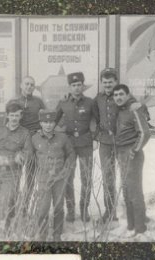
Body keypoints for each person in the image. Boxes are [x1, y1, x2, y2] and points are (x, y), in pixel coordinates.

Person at [0, 102, 33, 238]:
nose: (14, 118)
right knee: (0, 200)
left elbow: (28, 152)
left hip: (13, 172)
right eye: (12, 115)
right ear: (7, 115)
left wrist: (19, 156)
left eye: (17, 115)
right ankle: (5, 228)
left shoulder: (25, 133)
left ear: (21, 116)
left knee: (4, 200)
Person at [56, 72, 97, 222]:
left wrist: (95, 138)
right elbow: (53, 120)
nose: (76, 88)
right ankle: (71, 210)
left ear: (83, 85)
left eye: (79, 84)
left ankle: (84, 209)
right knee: (68, 178)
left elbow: (98, 121)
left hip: (85, 143)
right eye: (73, 85)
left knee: (86, 178)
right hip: (69, 145)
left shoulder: (90, 102)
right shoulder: (63, 102)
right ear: (69, 87)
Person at [32, 109, 76, 241]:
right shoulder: (34, 138)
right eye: (45, 122)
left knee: (58, 206)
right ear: (40, 123)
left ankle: (57, 234)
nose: (48, 125)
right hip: (43, 178)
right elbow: (31, 157)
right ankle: (43, 233)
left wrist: (66, 170)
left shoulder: (62, 138)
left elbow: (71, 154)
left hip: (59, 178)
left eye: (51, 122)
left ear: (54, 123)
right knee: (43, 207)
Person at [113, 84, 150, 237]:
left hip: (131, 154)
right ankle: (130, 226)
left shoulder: (134, 109)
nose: (118, 97)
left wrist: (134, 150)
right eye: (115, 95)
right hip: (121, 154)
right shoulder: (121, 110)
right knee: (127, 191)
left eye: (121, 94)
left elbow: (144, 133)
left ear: (128, 95)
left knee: (134, 192)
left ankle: (140, 229)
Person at [10, 76, 46, 214]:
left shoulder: (38, 102)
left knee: (31, 175)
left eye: (32, 84)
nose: (29, 87)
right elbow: (6, 123)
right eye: (27, 84)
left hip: (34, 141)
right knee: (15, 175)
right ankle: (12, 206)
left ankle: (25, 206)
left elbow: (45, 119)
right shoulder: (14, 101)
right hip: (18, 141)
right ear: (21, 85)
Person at [93, 68, 119, 223]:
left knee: (128, 177)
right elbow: (96, 119)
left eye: (110, 82)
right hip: (105, 144)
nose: (108, 85)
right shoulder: (98, 98)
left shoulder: (123, 95)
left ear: (116, 82)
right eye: (105, 82)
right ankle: (109, 212)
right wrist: (96, 137)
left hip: (122, 142)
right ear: (101, 83)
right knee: (107, 178)